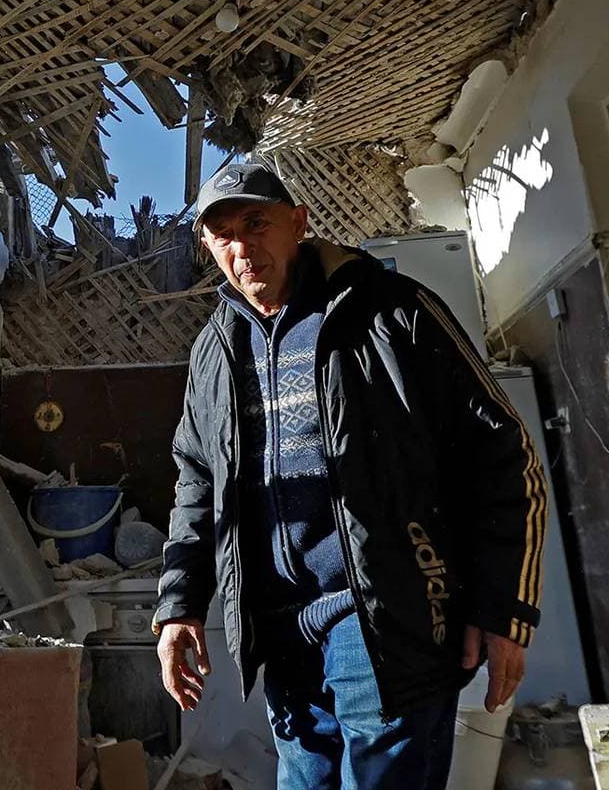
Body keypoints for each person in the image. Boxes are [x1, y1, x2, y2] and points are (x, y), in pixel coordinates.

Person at [153, 161, 547, 789]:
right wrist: (180, 606)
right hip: (282, 633)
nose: (241, 248)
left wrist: (504, 608)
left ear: (299, 223)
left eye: (256, 224)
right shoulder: (214, 350)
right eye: (222, 235)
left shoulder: (392, 311)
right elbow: (198, 484)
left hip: (387, 619)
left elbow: (505, 452)